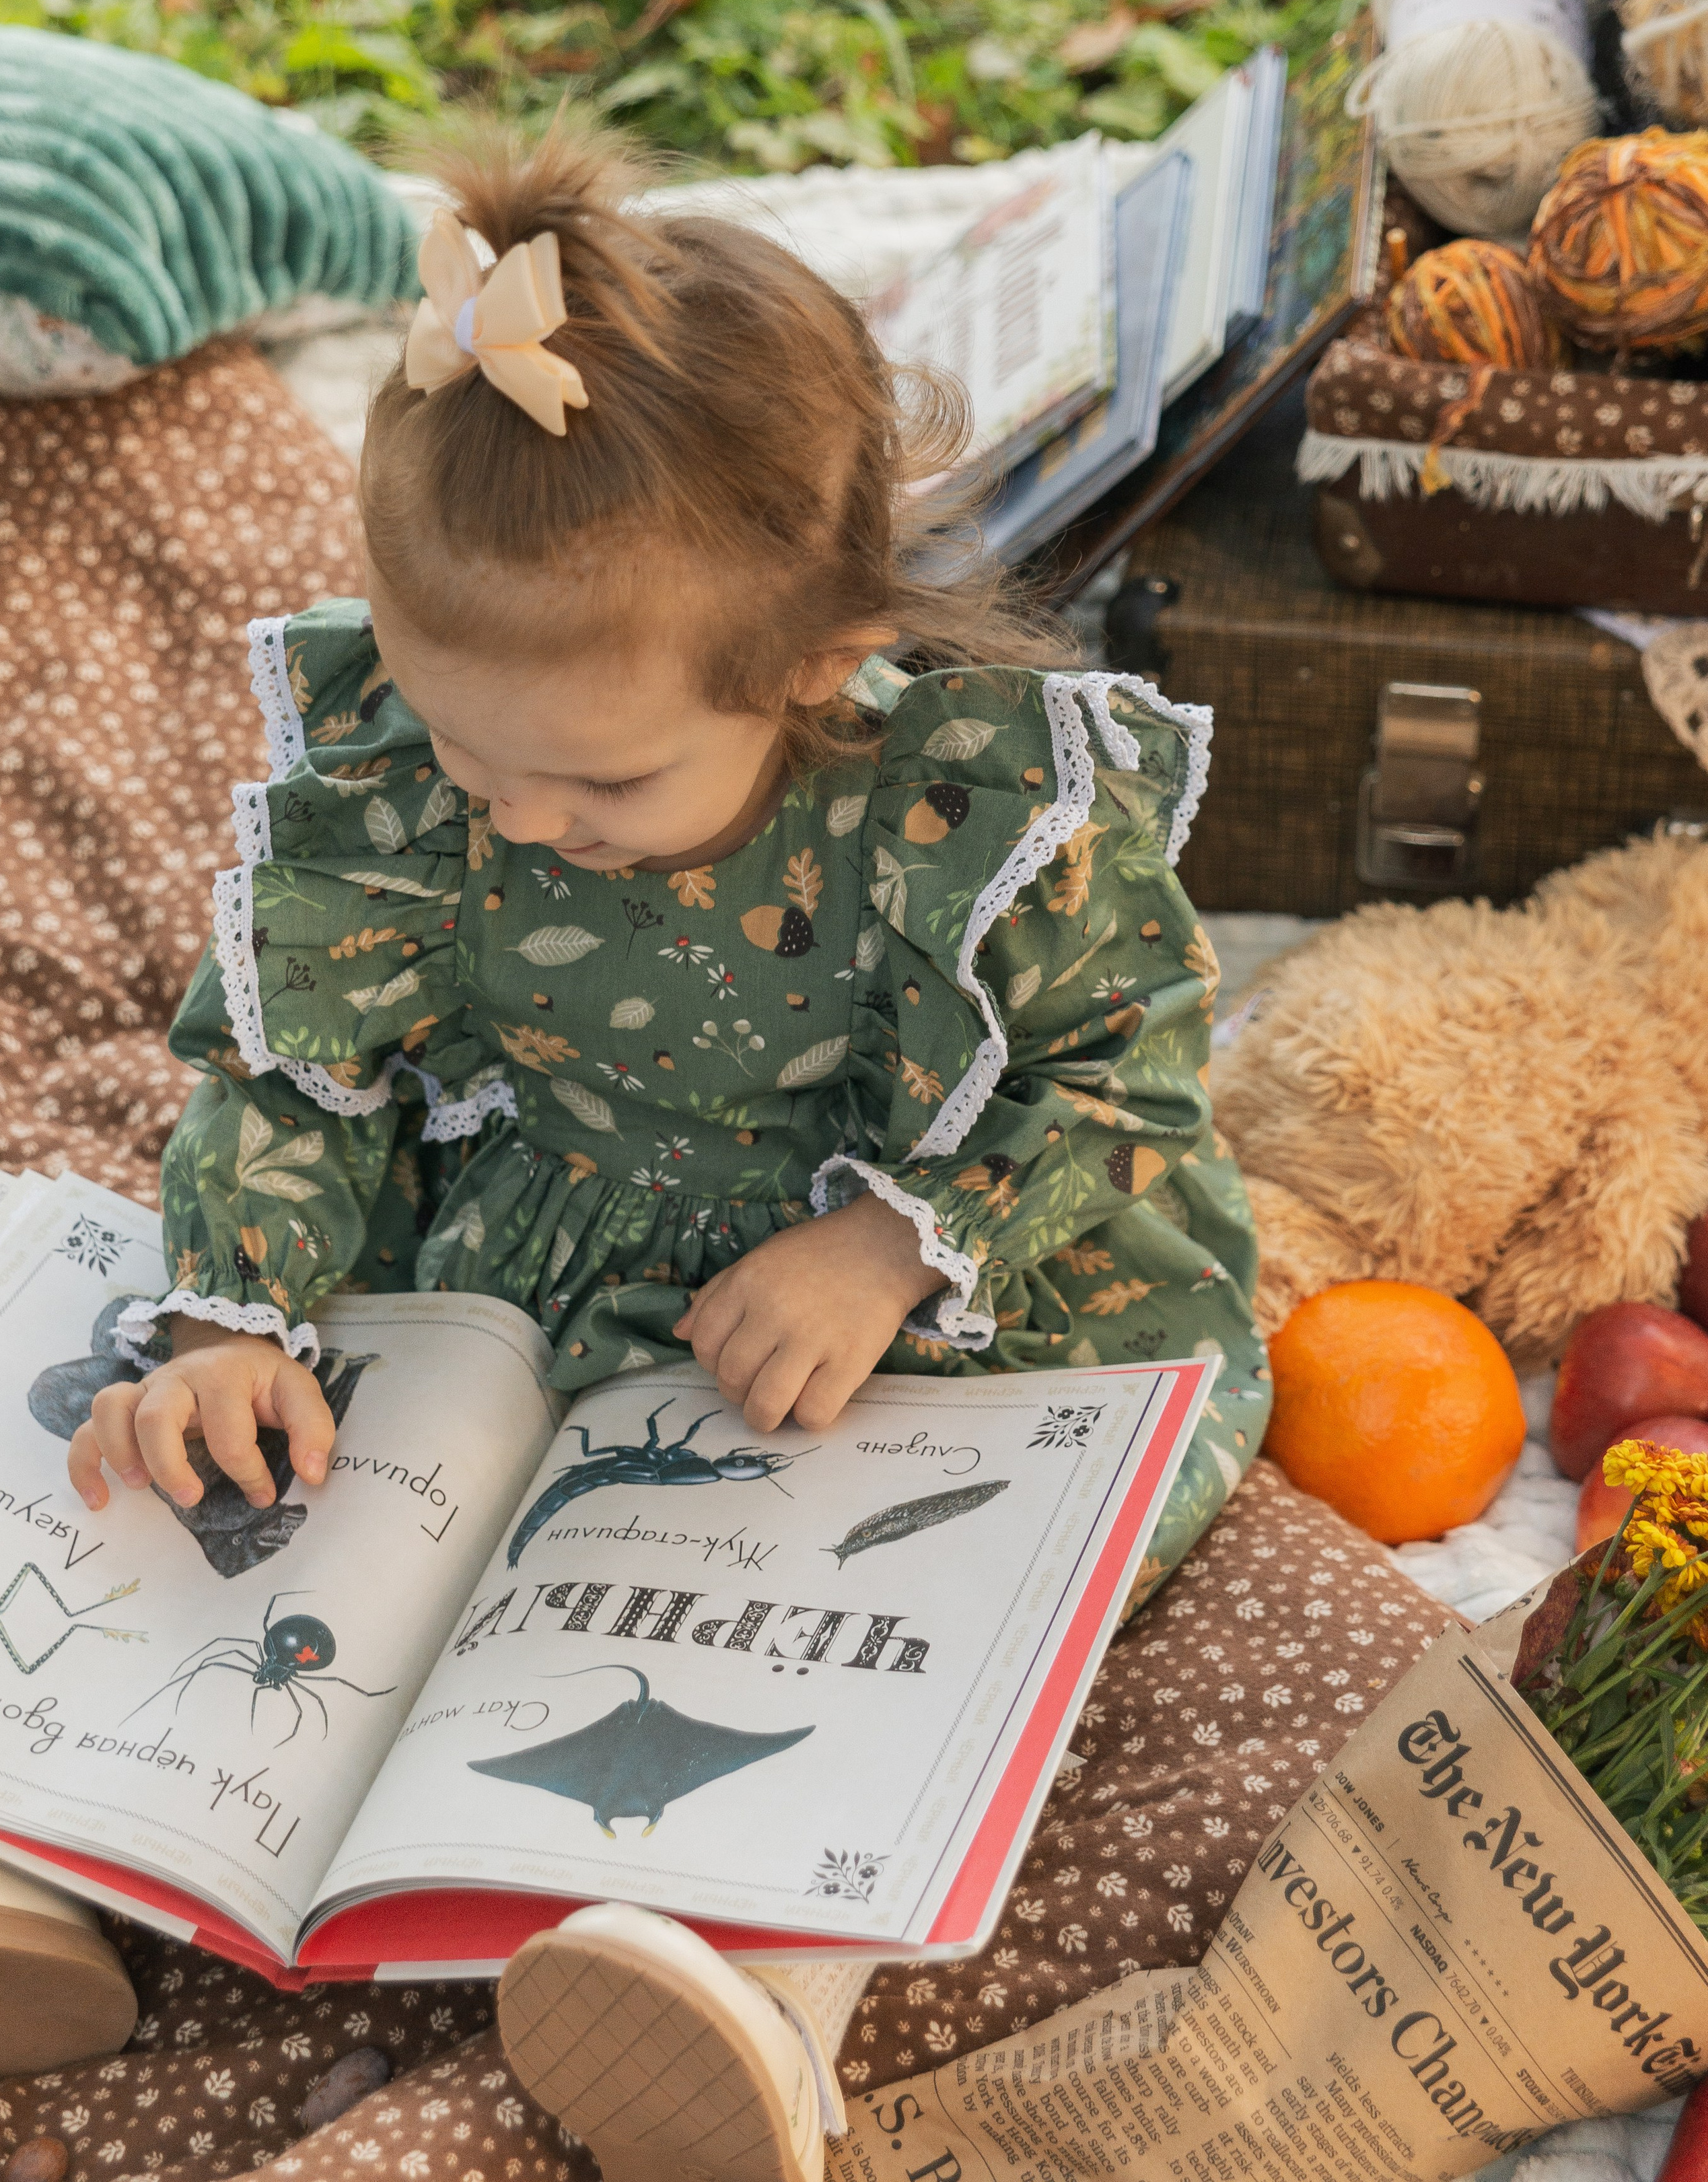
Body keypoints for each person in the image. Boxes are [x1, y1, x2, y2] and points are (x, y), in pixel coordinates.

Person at [65, 117, 1266, 2180]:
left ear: (813, 663)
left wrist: (894, 1247)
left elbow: (1118, 1086)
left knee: (869, 1584)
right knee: (305, 1506)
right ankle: (87, 1850)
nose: (512, 823)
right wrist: (228, 1310)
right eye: (462, 753)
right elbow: (296, 1065)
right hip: (552, 1238)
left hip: (895, 1276)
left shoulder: (954, 811)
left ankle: (766, 1988)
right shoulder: (438, 789)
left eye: (592, 782)